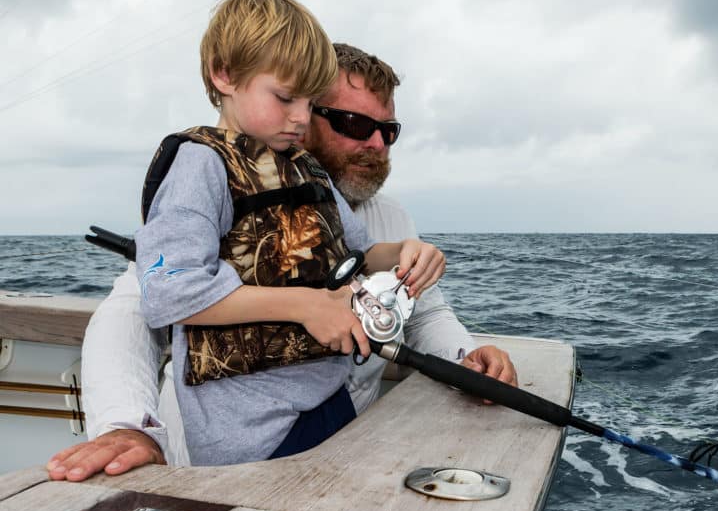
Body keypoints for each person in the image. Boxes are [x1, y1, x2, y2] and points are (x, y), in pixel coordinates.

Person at [47, 37, 516, 478]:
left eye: (387, 131)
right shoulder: (216, 193)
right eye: (355, 124)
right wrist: (129, 425)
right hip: (231, 459)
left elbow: (424, 311)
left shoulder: (390, 217)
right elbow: (130, 314)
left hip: (345, 442)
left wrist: (465, 357)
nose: (376, 144)